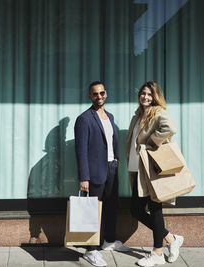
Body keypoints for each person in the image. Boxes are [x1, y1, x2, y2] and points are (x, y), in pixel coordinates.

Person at [125, 81, 184, 267]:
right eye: (143, 93)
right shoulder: (138, 114)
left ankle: (157, 252)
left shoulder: (158, 112)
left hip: (151, 169)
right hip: (138, 168)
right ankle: (172, 238)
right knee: (136, 210)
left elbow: (171, 129)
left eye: (150, 95)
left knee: (155, 208)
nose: (146, 97)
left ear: (155, 97)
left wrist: (153, 139)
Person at [74, 81, 130, 267]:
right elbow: (80, 150)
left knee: (112, 207)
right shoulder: (84, 119)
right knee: (92, 212)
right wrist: (84, 177)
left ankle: (110, 241)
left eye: (102, 93)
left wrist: (116, 159)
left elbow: (113, 139)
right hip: (94, 172)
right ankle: (91, 250)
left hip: (111, 169)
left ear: (106, 94)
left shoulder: (110, 116)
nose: (99, 97)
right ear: (90, 96)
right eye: (95, 94)